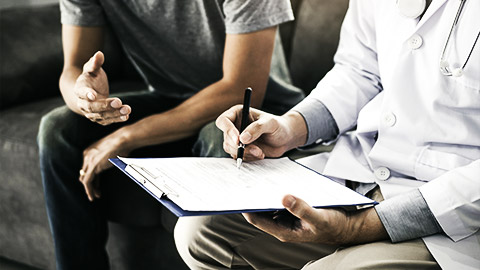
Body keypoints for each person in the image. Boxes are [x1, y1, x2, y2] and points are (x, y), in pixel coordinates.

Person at [174, 0, 480, 269]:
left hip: (451, 214)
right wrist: (291, 128)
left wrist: (358, 228)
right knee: (203, 232)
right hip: (366, 173)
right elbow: (359, 71)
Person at [37, 0, 305, 269]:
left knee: (224, 141)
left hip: (256, 111)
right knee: (58, 131)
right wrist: (84, 96)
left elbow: (241, 87)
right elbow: (71, 70)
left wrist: (126, 137)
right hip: (169, 99)